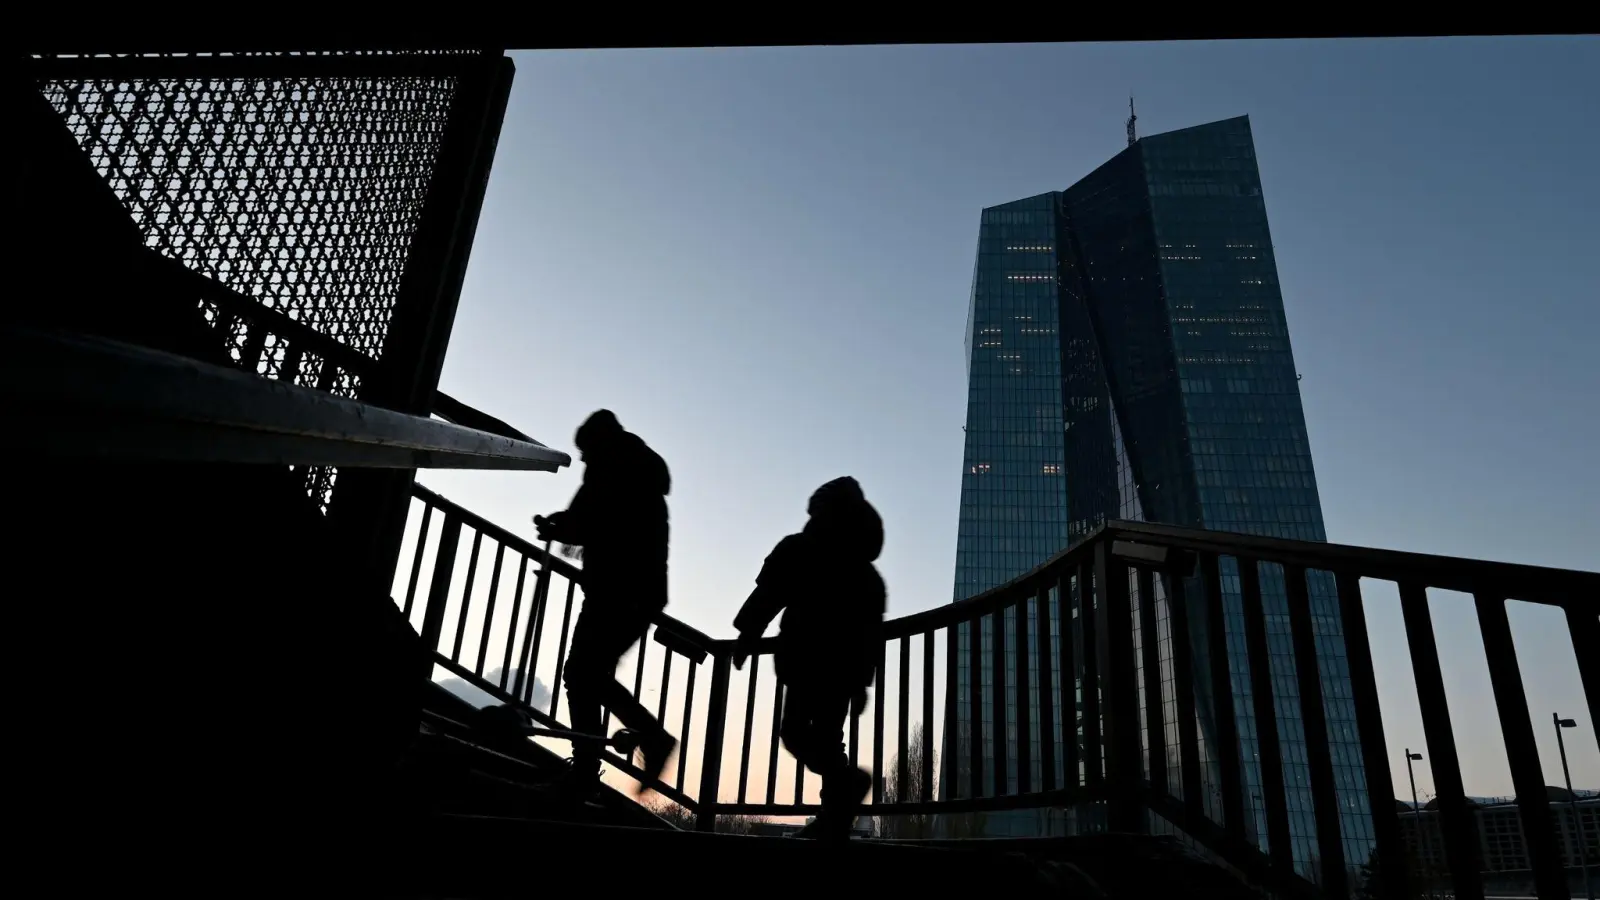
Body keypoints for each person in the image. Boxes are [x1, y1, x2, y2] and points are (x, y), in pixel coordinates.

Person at [534, 409, 677, 800]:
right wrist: (563, 526)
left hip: (616, 592)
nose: (581, 458)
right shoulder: (635, 469)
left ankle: (596, 763)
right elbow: (595, 521)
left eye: (584, 450)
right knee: (589, 675)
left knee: (583, 674)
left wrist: (557, 527)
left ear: (598, 444)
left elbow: (592, 522)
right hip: (635, 593)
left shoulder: (611, 471)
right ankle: (608, 756)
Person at [731, 477, 885, 840]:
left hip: (804, 662)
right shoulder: (865, 572)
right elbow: (869, 632)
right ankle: (835, 818)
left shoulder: (800, 548)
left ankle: (844, 791)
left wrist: (747, 635)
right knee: (829, 739)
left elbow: (767, 596)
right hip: (841, 671)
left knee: (796, 733)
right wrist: (862, 681)